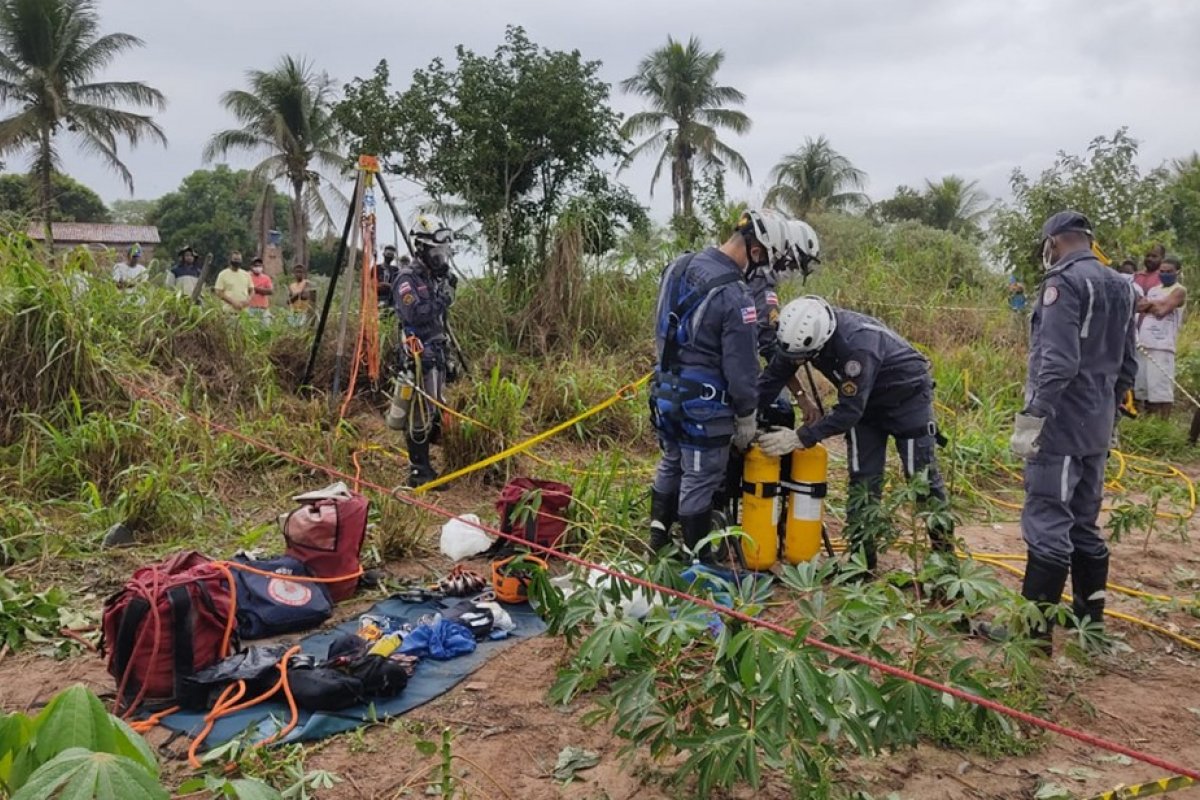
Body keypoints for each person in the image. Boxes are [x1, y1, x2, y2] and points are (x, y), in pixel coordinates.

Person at [1002, 211, 1137, 653]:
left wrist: (1032, 419)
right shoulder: (1121, 285)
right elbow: (1127, 364)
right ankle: (1088, 631)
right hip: (1095, 425)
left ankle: (1033, 637)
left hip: (1059, 426)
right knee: (1084, 523)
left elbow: (1057, 362)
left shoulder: (1063, 284)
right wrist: (1110, 415)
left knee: (1047, 522)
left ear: (1054, 242)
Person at [756, 297, 954, 572]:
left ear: (822, 342)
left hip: (906, 400)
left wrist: (800, 437)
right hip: (866, 408)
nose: (799, 361)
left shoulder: (858, 345)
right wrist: (745, 415)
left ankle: (946, 564)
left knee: (922, 480)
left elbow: (848, 412)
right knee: (863, 482)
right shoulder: (799, 335)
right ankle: (862, 565)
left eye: (804, 357)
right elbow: (775, 375)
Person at [647, 209, 787, 559]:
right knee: (700, 477)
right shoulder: (736, 294)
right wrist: (746, 415)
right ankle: (698, 563)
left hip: (663, 392)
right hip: (703, 404)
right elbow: (741, 365)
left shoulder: (677, 266)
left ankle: (657, 546)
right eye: (765, 259)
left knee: (671, 462)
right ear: (756, 251)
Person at [393, 216, 457, 489]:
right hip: (419, 352)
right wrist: (444, 297)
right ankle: (419, 471)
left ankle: (430, 459)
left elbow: (438, 320)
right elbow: (417, 314)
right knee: (419, 411)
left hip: (437, 348)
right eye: (436, 253)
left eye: (443, 253)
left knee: (434, 407)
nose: (441, 259)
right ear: (421, 248)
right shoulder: (407, 279)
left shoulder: (433, 278)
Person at [1135, 255, 1186, 418]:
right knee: (1143, 389)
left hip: (1163, 346)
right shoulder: (1153, 290)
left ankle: (1163, 425)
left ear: (1177, 271)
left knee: (1161, 391)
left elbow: (1162, 311)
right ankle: (1146, 422)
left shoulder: (1179, 290)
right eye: (1162, 271)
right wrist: (1156, 305)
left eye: (1169, 271)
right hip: (1144, 343)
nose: (1164, 274)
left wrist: (1150, 305)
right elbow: (1139, 306)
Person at [247, 256, 274, 321]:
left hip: (263, 309)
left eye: (259, 266)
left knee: (265, 329)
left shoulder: (266, 278)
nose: (258, 267)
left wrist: (254, 289)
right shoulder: (247, 276)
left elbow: (270, 291)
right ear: (251, 266)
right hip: (250, 308)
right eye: (256, 265)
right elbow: (246, 289)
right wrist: (262, 290)